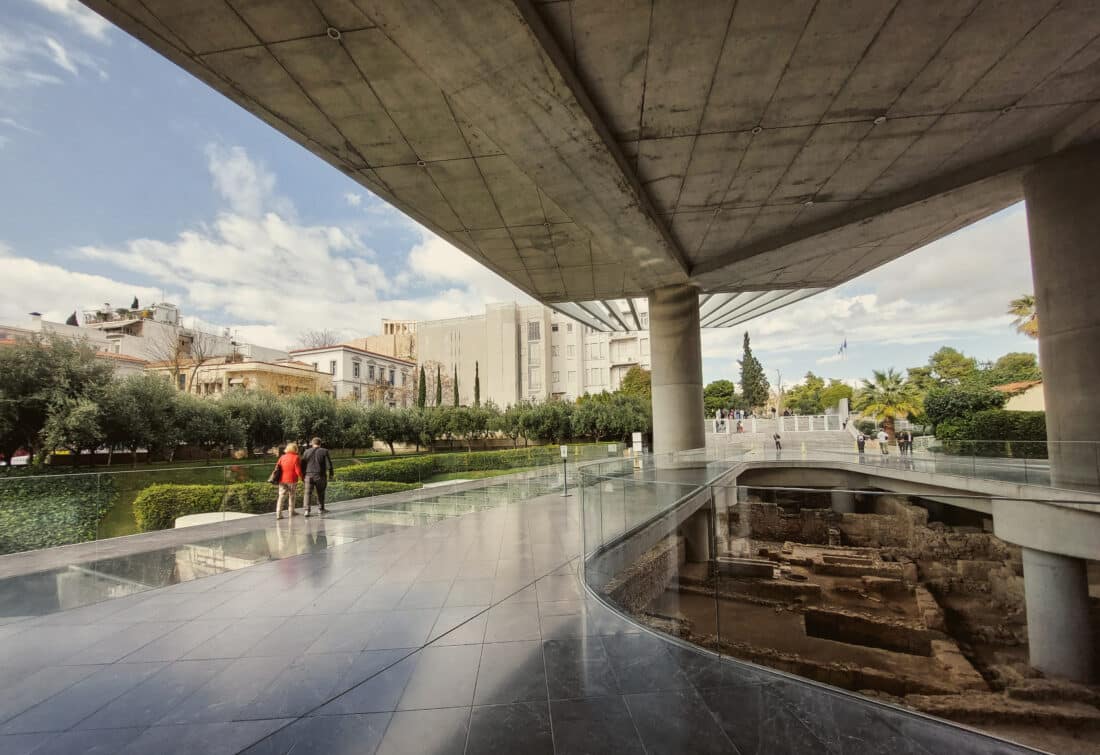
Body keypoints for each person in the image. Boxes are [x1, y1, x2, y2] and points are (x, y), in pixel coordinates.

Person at [301, 436, 335, 517]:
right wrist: (331, 474)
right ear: (320, 443)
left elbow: (302, 464)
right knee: (321, 492)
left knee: (307, 493)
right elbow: (329, 464)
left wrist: (303, 475)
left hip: (308, 475)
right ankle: (320, 509)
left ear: (312, 443)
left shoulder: (306, 452)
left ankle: (307, 511)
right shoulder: (324, 451)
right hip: (320, 475)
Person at [275, 442, 303, 519]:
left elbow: (277, 467)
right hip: (292, 480)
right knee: (292, 495)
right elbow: (298, 470)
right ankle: (291, 511)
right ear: (295, 449)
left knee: (281, 496)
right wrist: (302, 478)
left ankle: (278, 514)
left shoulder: (282, 457)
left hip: (282, 480)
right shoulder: (296, 457)